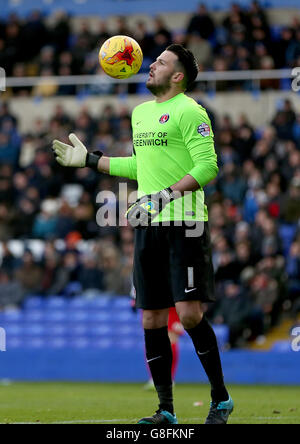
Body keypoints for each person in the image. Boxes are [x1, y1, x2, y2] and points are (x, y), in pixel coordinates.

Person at [52, 44, 234, 425]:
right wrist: (89, 160)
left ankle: (220, 399)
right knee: (151, 320)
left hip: (185, 223)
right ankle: (165, 409)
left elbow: (208, 165)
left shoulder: (190, 111)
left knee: (188, 314)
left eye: (161, 62)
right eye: (154, 61)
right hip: (148, 225)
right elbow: (141, 164)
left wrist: (163, 196)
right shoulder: (140, 113)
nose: (151, 64)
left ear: (178, 75)